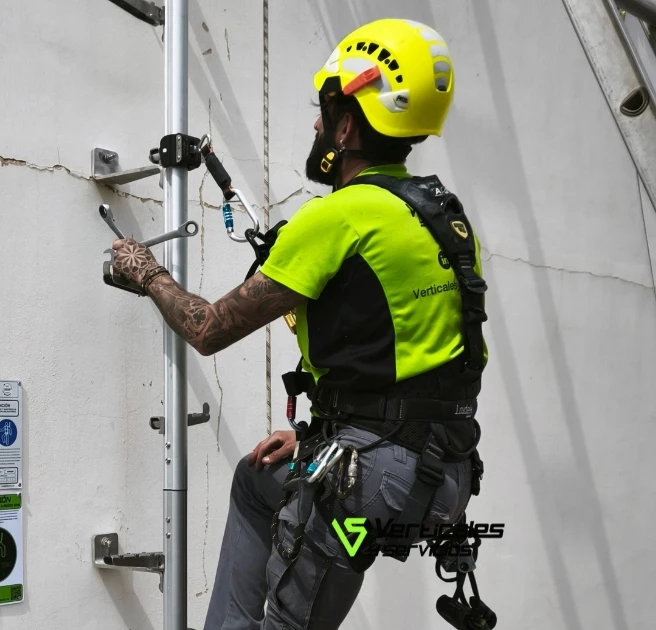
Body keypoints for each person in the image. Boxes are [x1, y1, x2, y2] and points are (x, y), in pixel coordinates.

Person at [110, 18, 487, 630]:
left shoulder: (336, 218)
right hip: (444, 475)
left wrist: (145, 270)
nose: (317, 124)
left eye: (325, 110)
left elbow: (207, 328)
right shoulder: (438, 213)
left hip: (374, 481)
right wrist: (321, 437)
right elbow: (403, 355)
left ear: (347, 124)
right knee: (258, 479)